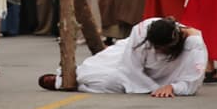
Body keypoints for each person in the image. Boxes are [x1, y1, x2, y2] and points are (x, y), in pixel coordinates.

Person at [37, 17, 207, 96]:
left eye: (160, 49)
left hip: (166, 77)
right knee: (95, 68)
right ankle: (65, 78)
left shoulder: (194, 45)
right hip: (129, 64)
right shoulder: (143, 30)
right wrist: (152, 87)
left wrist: (172, 87)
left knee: (108, 82)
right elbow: (130, 68)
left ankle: (66, 84)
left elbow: (193, 82)